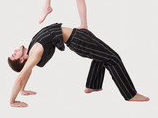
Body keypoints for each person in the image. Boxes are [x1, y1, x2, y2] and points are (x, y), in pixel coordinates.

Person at [8, 23, 149, 108]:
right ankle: (130, 94)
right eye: (14, 55)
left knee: (101, 56)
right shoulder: (35, 52)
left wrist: (23, 90)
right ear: (21, 60)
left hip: (78, 37)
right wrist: (12, 101)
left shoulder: (32, 47)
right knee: (113, 58)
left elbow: (28, 71)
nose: (14, 51)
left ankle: (92, 86)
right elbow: (21, 77)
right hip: (78, 40)